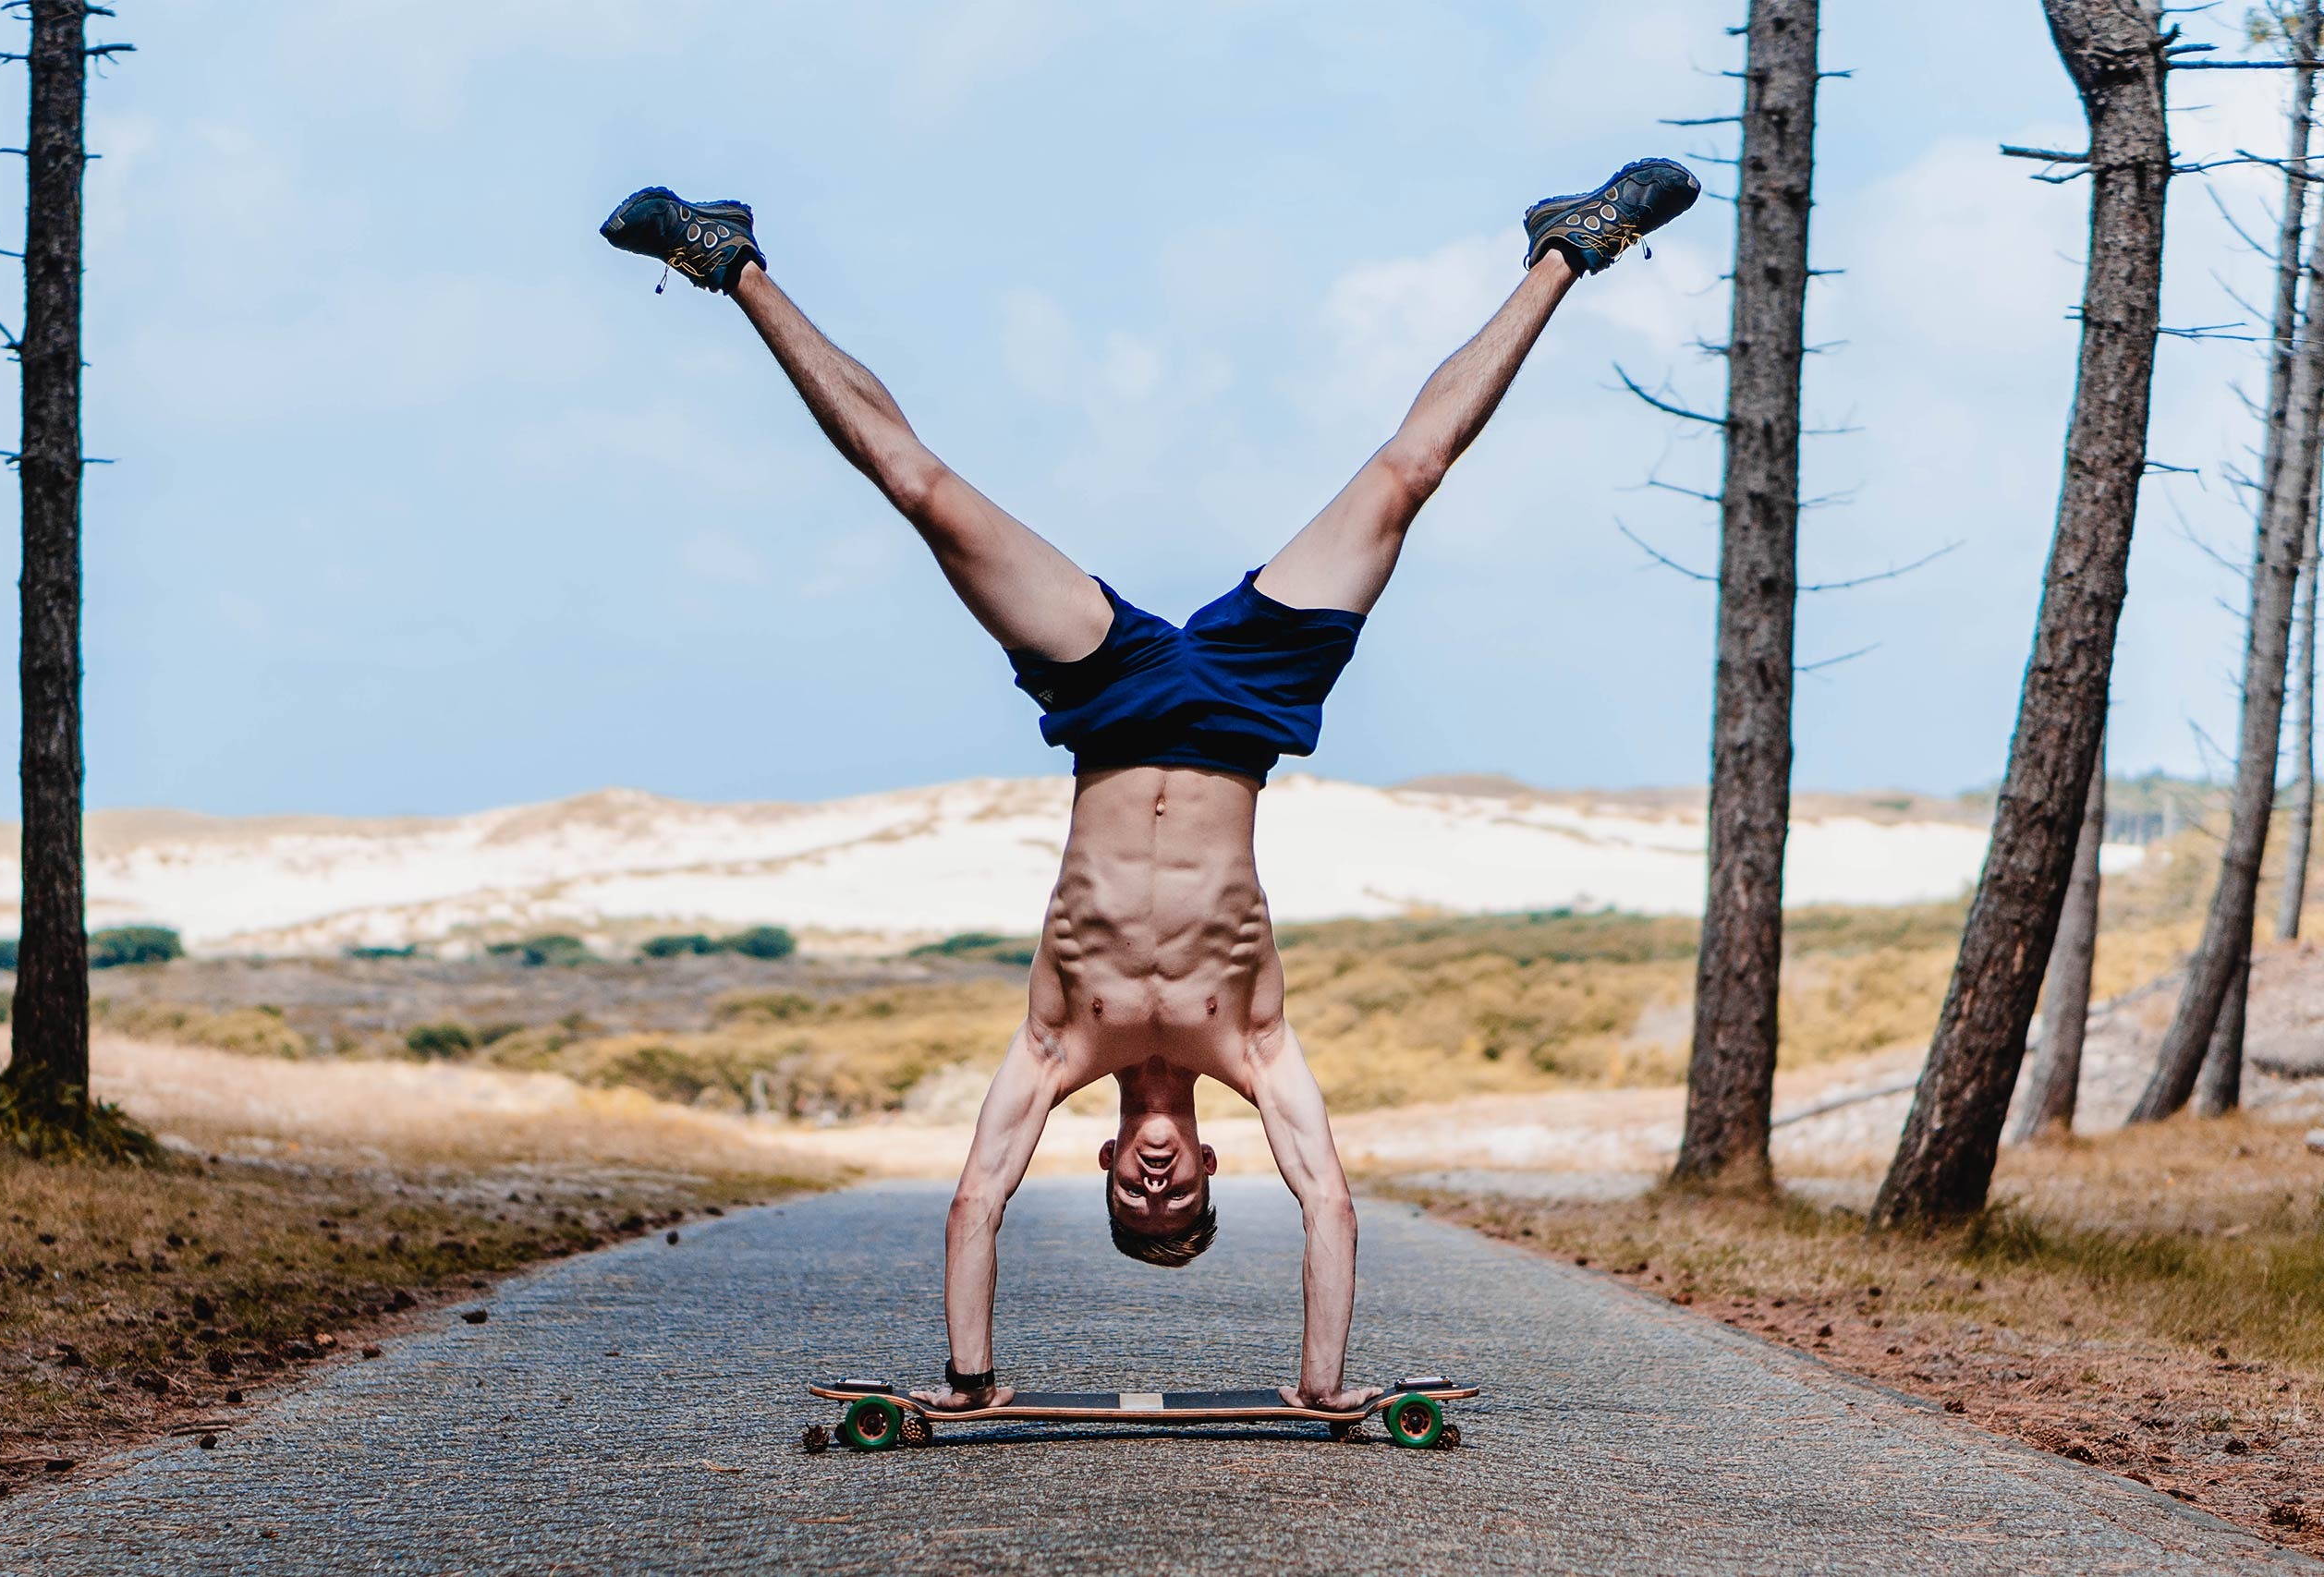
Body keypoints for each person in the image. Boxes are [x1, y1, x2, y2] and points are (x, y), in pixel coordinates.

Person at [599, 159, 1698, 1413]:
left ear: (1113, 1158)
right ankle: (1571, 247)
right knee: (1408, 474)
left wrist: (969, 1378)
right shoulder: (1256, 1045)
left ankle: (729, 259)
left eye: (1136, 1196)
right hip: (1244, 710)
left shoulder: (1058, 1043)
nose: (1156, 1185)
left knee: (923, 489)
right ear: (1213, 1164)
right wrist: (1323, 1386)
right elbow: (1329, 1199)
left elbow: (975, 1197)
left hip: (1107, 703)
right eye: (1175, 1199)